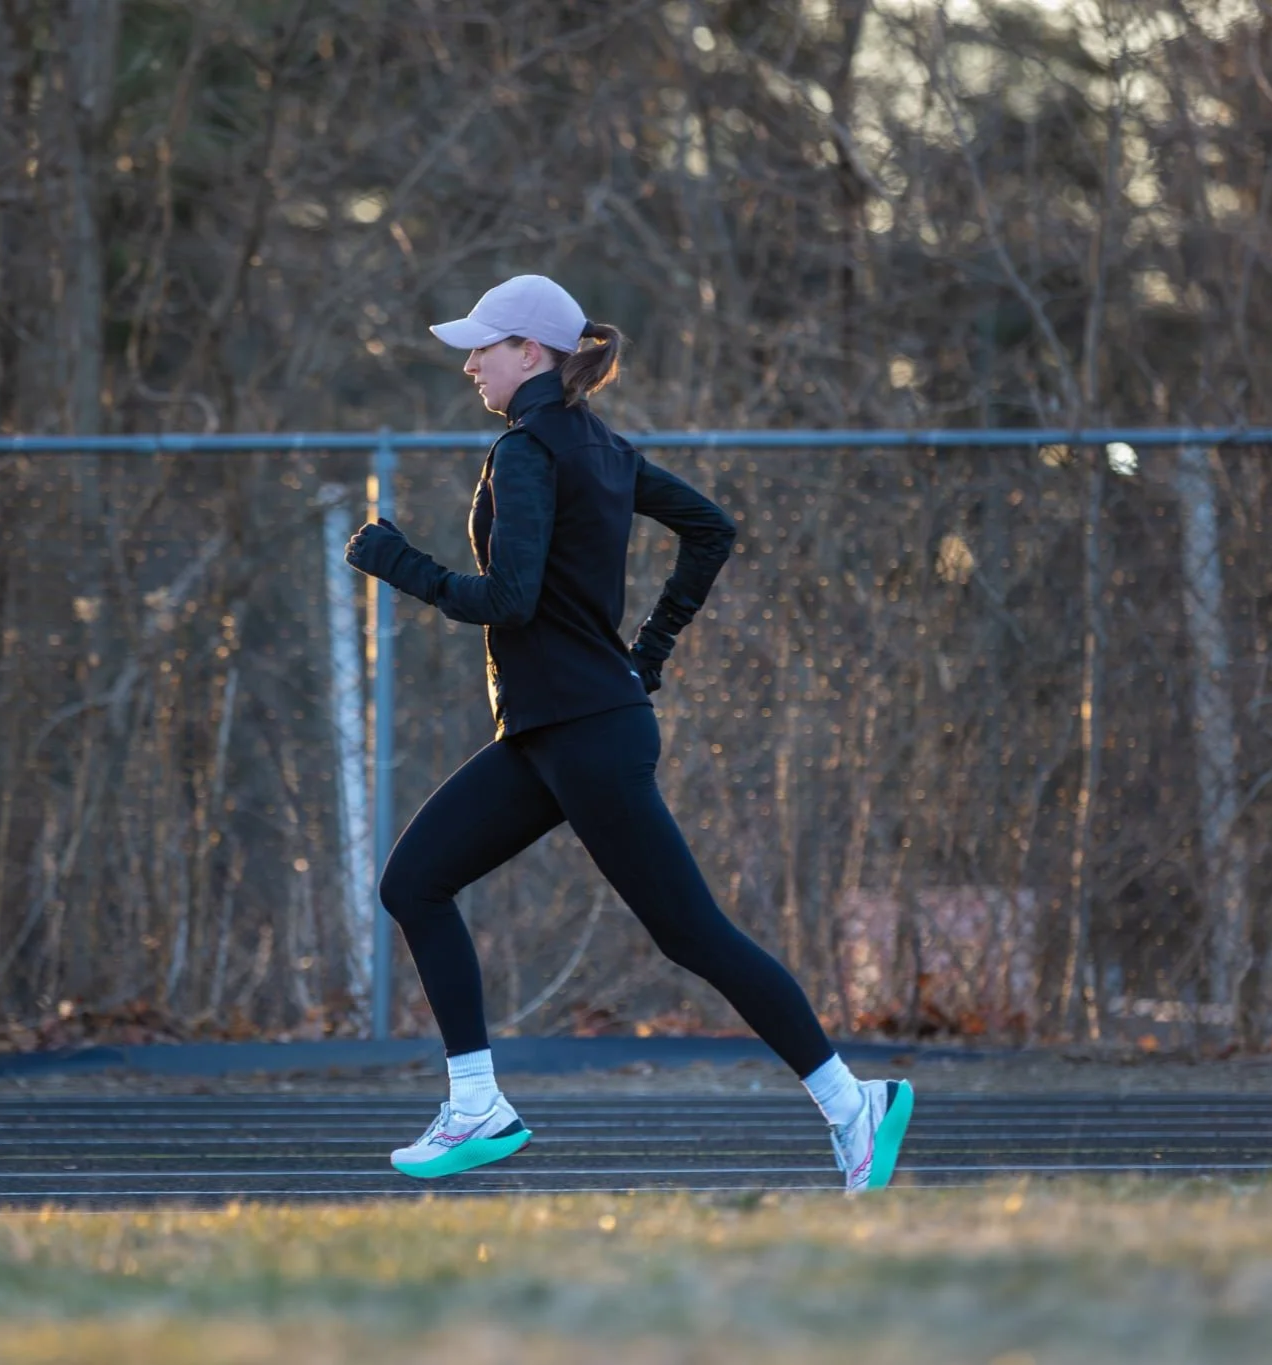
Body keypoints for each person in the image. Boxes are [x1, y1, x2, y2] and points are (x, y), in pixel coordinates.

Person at [344, 275, 913, 1191]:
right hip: (558, 729)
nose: (471, 363)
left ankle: (854, 1102)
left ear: (530, 352)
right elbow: (710, 529)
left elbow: (509, 599)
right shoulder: (600, 445)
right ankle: (477, 1102)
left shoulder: (528, 450)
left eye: (484, 346)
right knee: (414, 882)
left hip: (583, 733)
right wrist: (644, 654)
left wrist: (399, 562)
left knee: (694, 933)